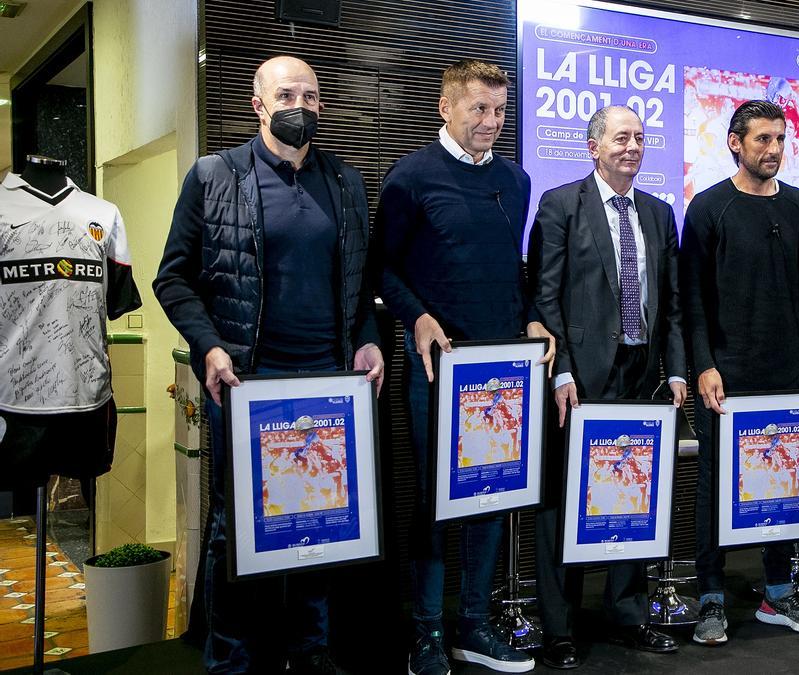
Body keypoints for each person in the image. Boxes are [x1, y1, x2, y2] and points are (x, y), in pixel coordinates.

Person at [154, 55, 384, 674]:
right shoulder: (213, 176)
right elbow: (172, 279)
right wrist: (209, 346)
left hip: (329, 384)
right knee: (237, 527)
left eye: (311, 96)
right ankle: (231, 659)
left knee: (322, 521)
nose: (301, 105)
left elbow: (360, 286)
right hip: (248, 384)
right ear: (257, 104)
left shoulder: (346, 182)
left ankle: (310, 653)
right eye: (287, 94)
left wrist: (366, 338)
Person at [376, 59, 554, 675]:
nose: (491, 122)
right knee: (434, 501)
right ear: (445, 108)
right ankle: (425, 632)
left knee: (492, 497)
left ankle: (473, 624)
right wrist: (416, 317)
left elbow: (515, 267)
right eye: (479, 108)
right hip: (437, 370)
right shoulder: (410, 178)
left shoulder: (517, 179)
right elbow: (383, 269)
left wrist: (531, 315)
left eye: (500, 110)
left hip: (500, 371)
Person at [527, 105, 686, 669]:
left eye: (640, 138)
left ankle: (629, 615)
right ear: (593, 146)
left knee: (630, 494)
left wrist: (675, 368)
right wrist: (561, 369)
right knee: (563, 501)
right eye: (621, 138)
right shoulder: (561, 204)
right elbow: (544, 298)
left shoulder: (660, 213)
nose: (632, 147)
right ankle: (560, 627)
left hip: (641, 374)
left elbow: (670, 303)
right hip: (579, 380)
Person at [681, 100, 799, 646]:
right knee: (715, 490)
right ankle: (712, 600)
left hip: (788, 372)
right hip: (727, 376)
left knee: (782, 486)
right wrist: (704, 365)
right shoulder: (708, 207)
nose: (773, 150)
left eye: (780, 139)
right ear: (735, 143)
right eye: (762, 139)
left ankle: (778, 592)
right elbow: (692, 299)